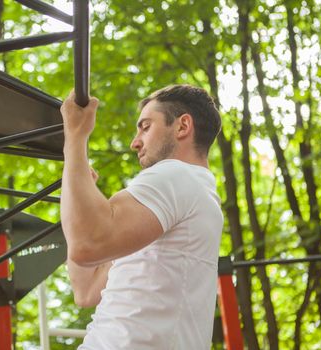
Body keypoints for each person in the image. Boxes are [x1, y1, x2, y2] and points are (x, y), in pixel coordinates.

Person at [60, 84, 223, 349]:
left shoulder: (177, 175)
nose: (135, 142)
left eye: (145, 127)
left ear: (182, 127)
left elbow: (85, 245)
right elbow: (86, 289)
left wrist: (75, 139)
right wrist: (75, 187)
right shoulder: (187, 200)